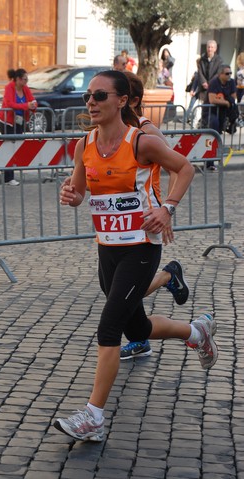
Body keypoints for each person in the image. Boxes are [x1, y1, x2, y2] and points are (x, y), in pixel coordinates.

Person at [53, 70, 218, 442]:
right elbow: (79, 190)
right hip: (107, 247)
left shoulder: (141, 142)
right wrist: (72, 196)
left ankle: (93, 416)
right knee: (137, 328)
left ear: (122, 100)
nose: (91, 103)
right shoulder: (85, 145)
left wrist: (167, 209)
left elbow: (185, 168)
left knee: (109, 327)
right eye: (88, 98)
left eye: (99, 96)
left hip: (142, 247)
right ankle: (197, 332)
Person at [119, 71, 189, 359]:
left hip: (147, 220)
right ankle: (140, 336)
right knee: (117, 287)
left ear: (132, 100)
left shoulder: (148, 133)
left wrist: (167, 209)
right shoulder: (113, 132)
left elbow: (178, 168)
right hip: (119, 225)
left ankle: (166, 277)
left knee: (120, 293)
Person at [0, 68, 37, 186]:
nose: (26, 82)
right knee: (9, 148)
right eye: (25, 79)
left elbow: (33, 101)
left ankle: (8, 173)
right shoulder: (9, 88)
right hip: (7, 122)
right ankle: (8, 177)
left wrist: (33, 105)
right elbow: (10, 104)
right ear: (18, 79)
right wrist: (27, 105)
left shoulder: (25, 88)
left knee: (15, 148)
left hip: (19, 122)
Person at [203, 64, 237, 170]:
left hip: (222, 113)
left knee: (217, 136)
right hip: (210, 113)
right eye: (227, 73)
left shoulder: (231, 82)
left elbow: (233, 97)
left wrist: (224, 101)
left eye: (230, 73)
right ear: (220, 74)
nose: (229, 75)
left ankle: (212, 161)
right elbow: (212, 100)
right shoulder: (214, 82)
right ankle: (209, 163)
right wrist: (226, 102)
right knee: (212, 136)